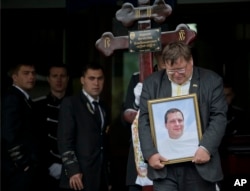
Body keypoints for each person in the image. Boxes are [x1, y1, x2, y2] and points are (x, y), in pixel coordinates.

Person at [138, 41, 228, 191]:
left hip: (199, 165)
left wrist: (206, 148)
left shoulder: (211, 81)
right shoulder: (152, 83)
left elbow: (218, 117)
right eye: (171, 71)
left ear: (190, 61)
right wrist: (150, 153)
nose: (177, 75)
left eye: (181, 69)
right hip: (164, 167)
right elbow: (144, 120)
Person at [57, 63, 111, 191]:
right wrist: (73, 170)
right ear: (82, 80)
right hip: (78, 177)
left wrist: (107, 178)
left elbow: (103, 143)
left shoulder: (103, 107)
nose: (96, 83)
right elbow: (64, 140)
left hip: (99, 177)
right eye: (91, 78)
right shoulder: (71, 103)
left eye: (100, 78)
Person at [123, 51, 165, 191]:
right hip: (140, 152)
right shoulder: (138, 78)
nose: (165, 58)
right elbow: (126, 117)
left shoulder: (179, 77)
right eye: (162, 54)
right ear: (156, 55)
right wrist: (136, 103)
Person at [1, 62, 42, 191]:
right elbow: (9, 134)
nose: (31, 77)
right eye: (26, 73)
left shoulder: (24, 98)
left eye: (33, 73)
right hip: (18, 170)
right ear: (15, 77)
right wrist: (24, 163)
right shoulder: (12, 98)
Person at [33, 63, 70, 190]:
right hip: (44, 171)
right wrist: (47, 165)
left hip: (72, 172)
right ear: (48, 79)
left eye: (62, 76)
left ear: (68, 79)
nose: (59, 79)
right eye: (55, 76)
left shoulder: (78, 106)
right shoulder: (36, 106)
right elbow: (34, 141)